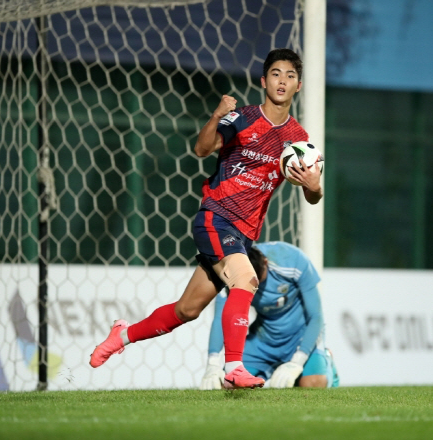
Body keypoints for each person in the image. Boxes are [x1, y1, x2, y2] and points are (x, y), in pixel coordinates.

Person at [89, 49, 324, 389]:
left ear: (298, 85)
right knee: (246, 280)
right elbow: (202, 149)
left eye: (289, 75)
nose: (282, 81)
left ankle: (120, 337)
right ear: (263, 80)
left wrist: (314, 186)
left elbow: (313, 196)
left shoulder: (300, 141)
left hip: (244, 234)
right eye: (275, 73)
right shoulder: (241, 118)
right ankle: (233, 367)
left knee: (187, 310)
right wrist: (216, 115)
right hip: (216, 218)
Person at [200, 242, 339, 389]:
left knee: (312, 385)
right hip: (263, 342)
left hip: (300, 336)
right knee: (229, 386)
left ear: (266, 263)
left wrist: (297, 361)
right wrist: (213, 363)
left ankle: (326, 362)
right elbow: (221, 319)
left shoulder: (291, 259)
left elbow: (316, 316)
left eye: (259, 281)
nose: (254, 287)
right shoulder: (230, 273)